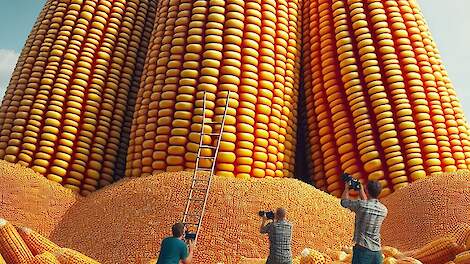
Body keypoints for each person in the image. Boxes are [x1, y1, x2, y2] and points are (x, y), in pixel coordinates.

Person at [341, 180, 388, 264]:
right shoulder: (383, 210)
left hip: (362, 250)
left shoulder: (361, 205)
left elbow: (344, 202)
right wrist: (361, 191)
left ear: (367, 190)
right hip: (377, 252)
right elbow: (367, 205)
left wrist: (347, 188)